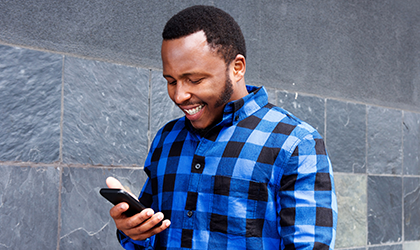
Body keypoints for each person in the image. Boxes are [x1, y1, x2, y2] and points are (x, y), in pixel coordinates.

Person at [106, 5, 337, 250]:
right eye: (171, 81)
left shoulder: (295, 144)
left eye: (194, 80)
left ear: (237, 68)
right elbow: (150, 238)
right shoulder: (167, 138)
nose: (179, 95)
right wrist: (135, 232)